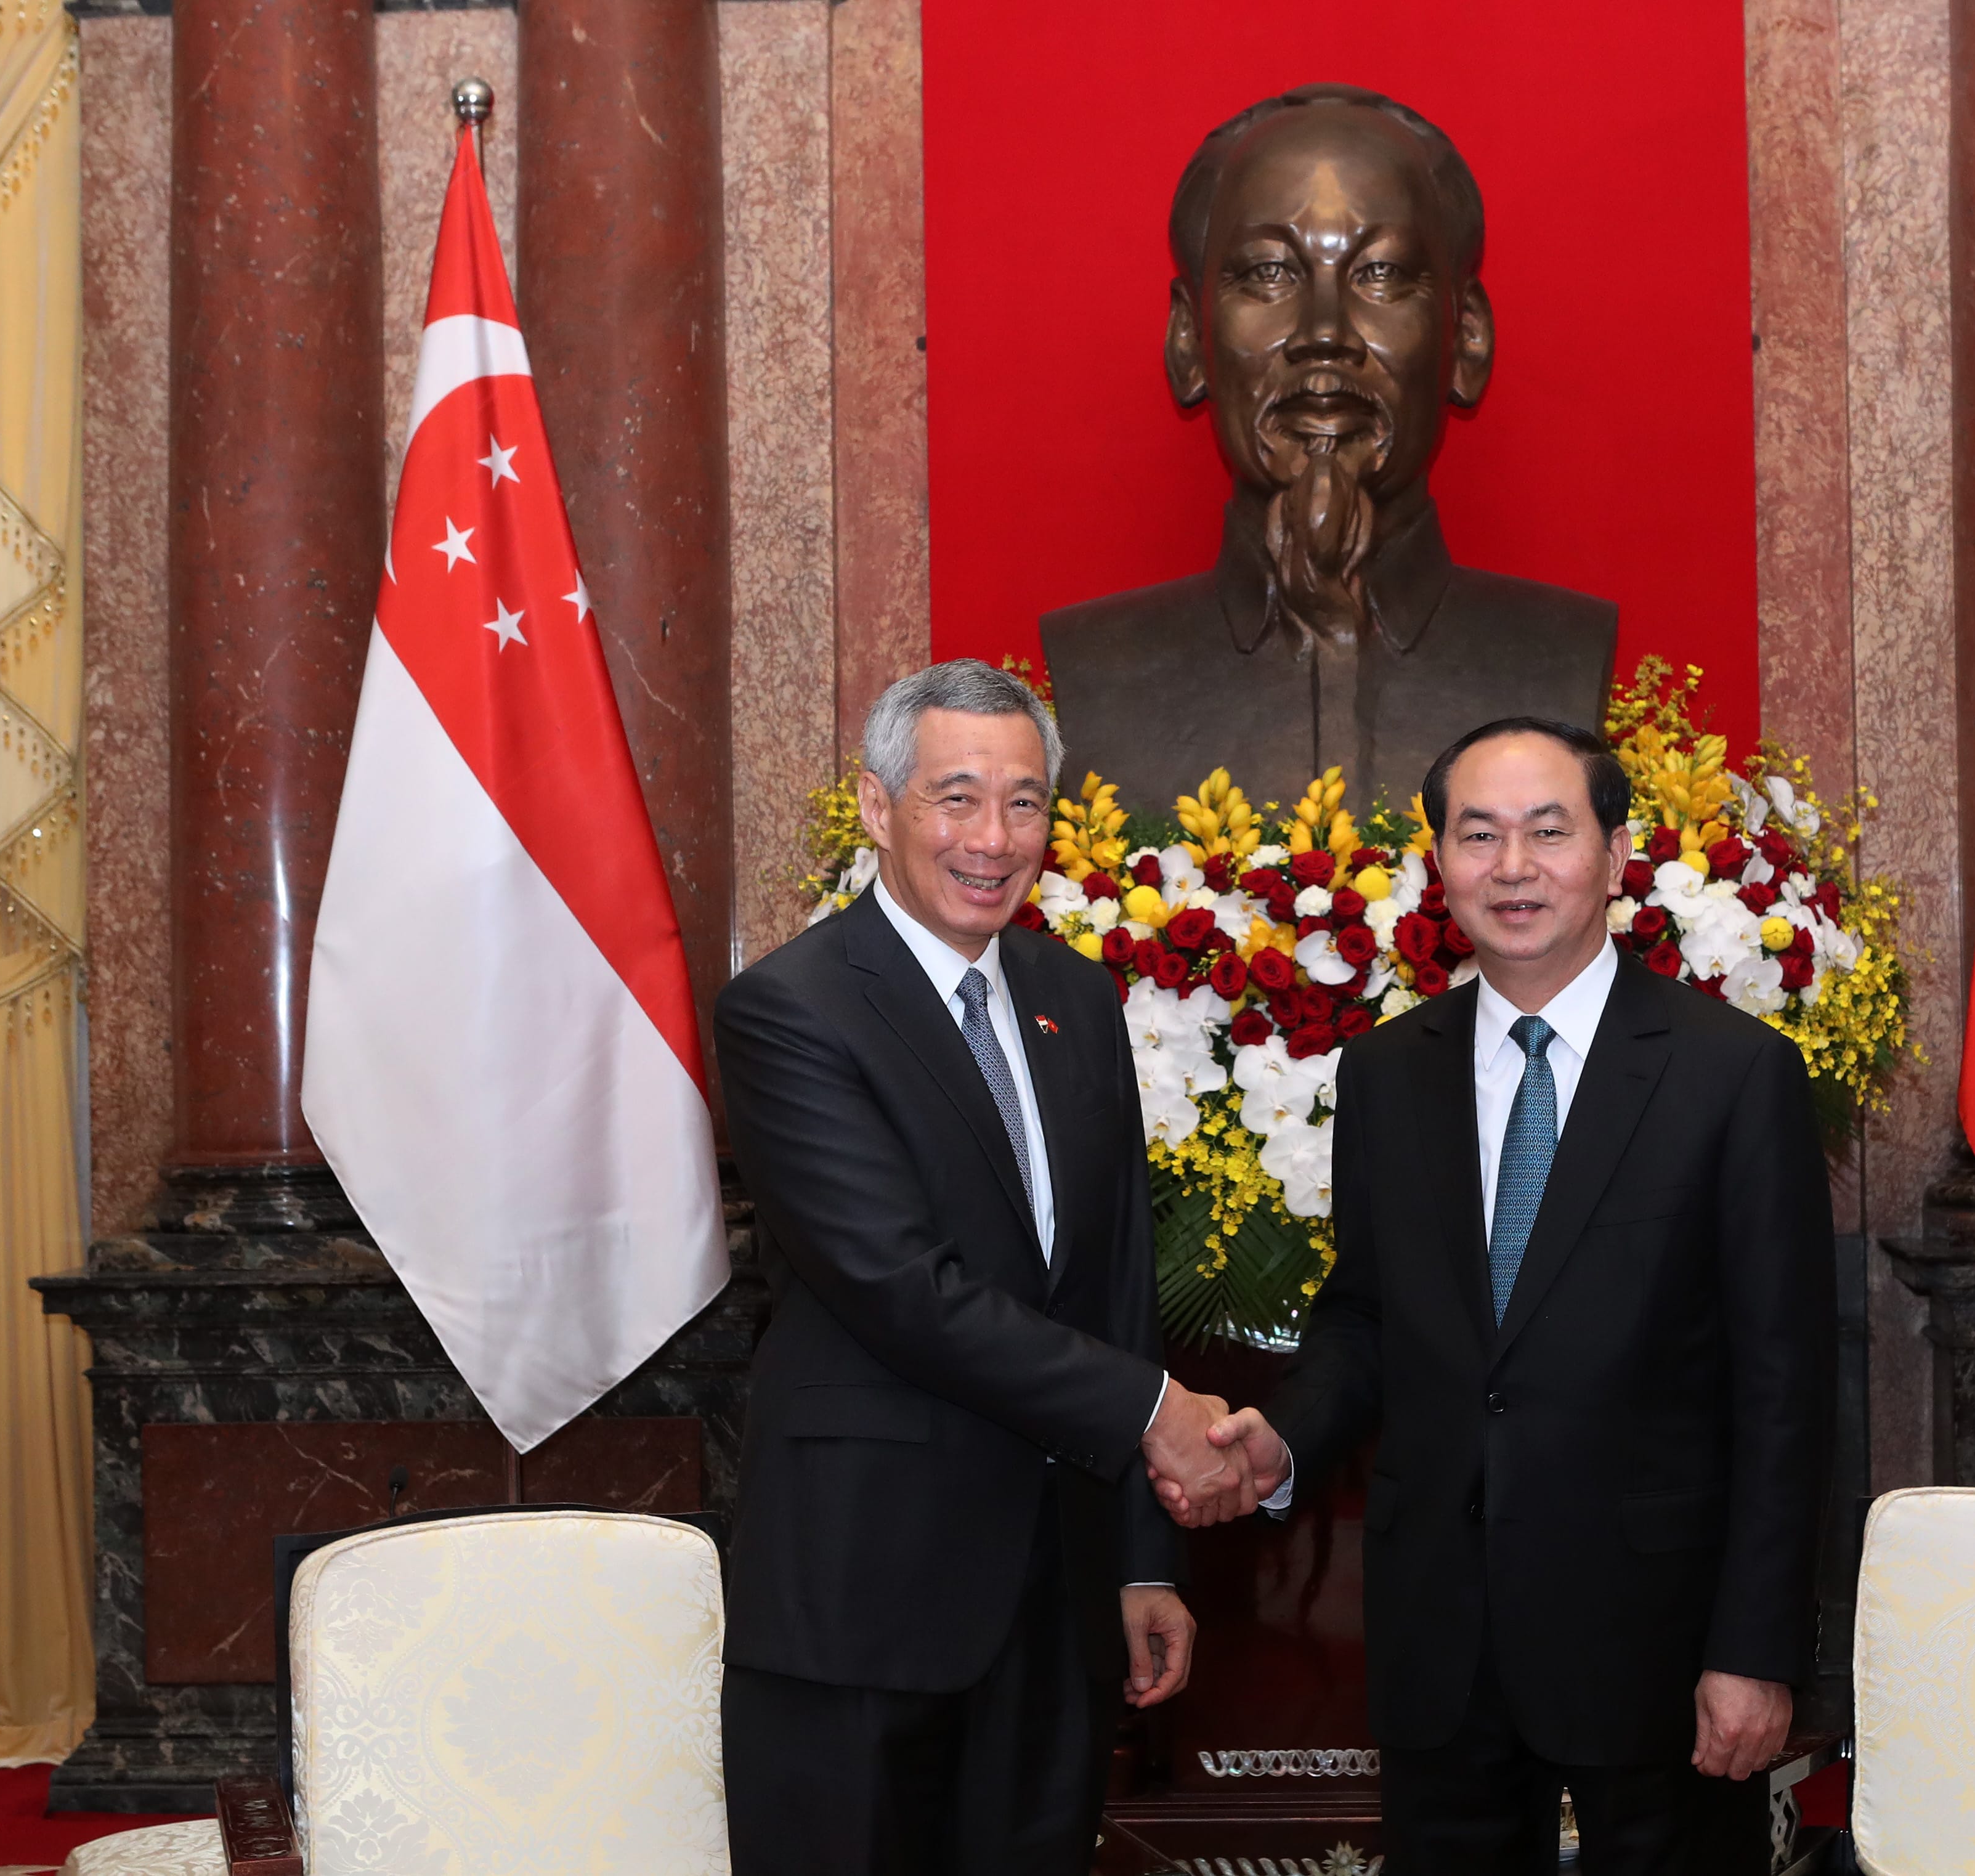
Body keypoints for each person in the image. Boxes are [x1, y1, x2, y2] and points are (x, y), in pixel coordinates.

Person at [1164, 717, 1837, 1872]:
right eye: (1477, 836)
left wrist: (1755, 1649)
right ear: (1438, 864)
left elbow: (1785, 1389)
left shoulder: (1730, 1075)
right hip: (1442, 1641)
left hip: (1658, 1651)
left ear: (1615, 855)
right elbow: (1368, 1315)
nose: (1511, 867)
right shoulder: (1387, 1072)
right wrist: (1280, 1439)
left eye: (1546, 832)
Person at [713, 660, 1255, 1874]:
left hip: (1053, 1602)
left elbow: (1112, 1280)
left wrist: (1137, 1557)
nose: (994, 838)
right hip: (860, 1597)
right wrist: (1157, 1415)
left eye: (1023, 802)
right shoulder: (791, 1010)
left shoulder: (1072, 994)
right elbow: (900, 1289)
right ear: (875, 804)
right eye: (957, 797)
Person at [1040, 84, 1614, 811]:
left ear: (1466, 338)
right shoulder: (1097, 671)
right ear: (1188, 342)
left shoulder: (1560, 652)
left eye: (1380, 273)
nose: (1323, 332)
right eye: (1268, 273)